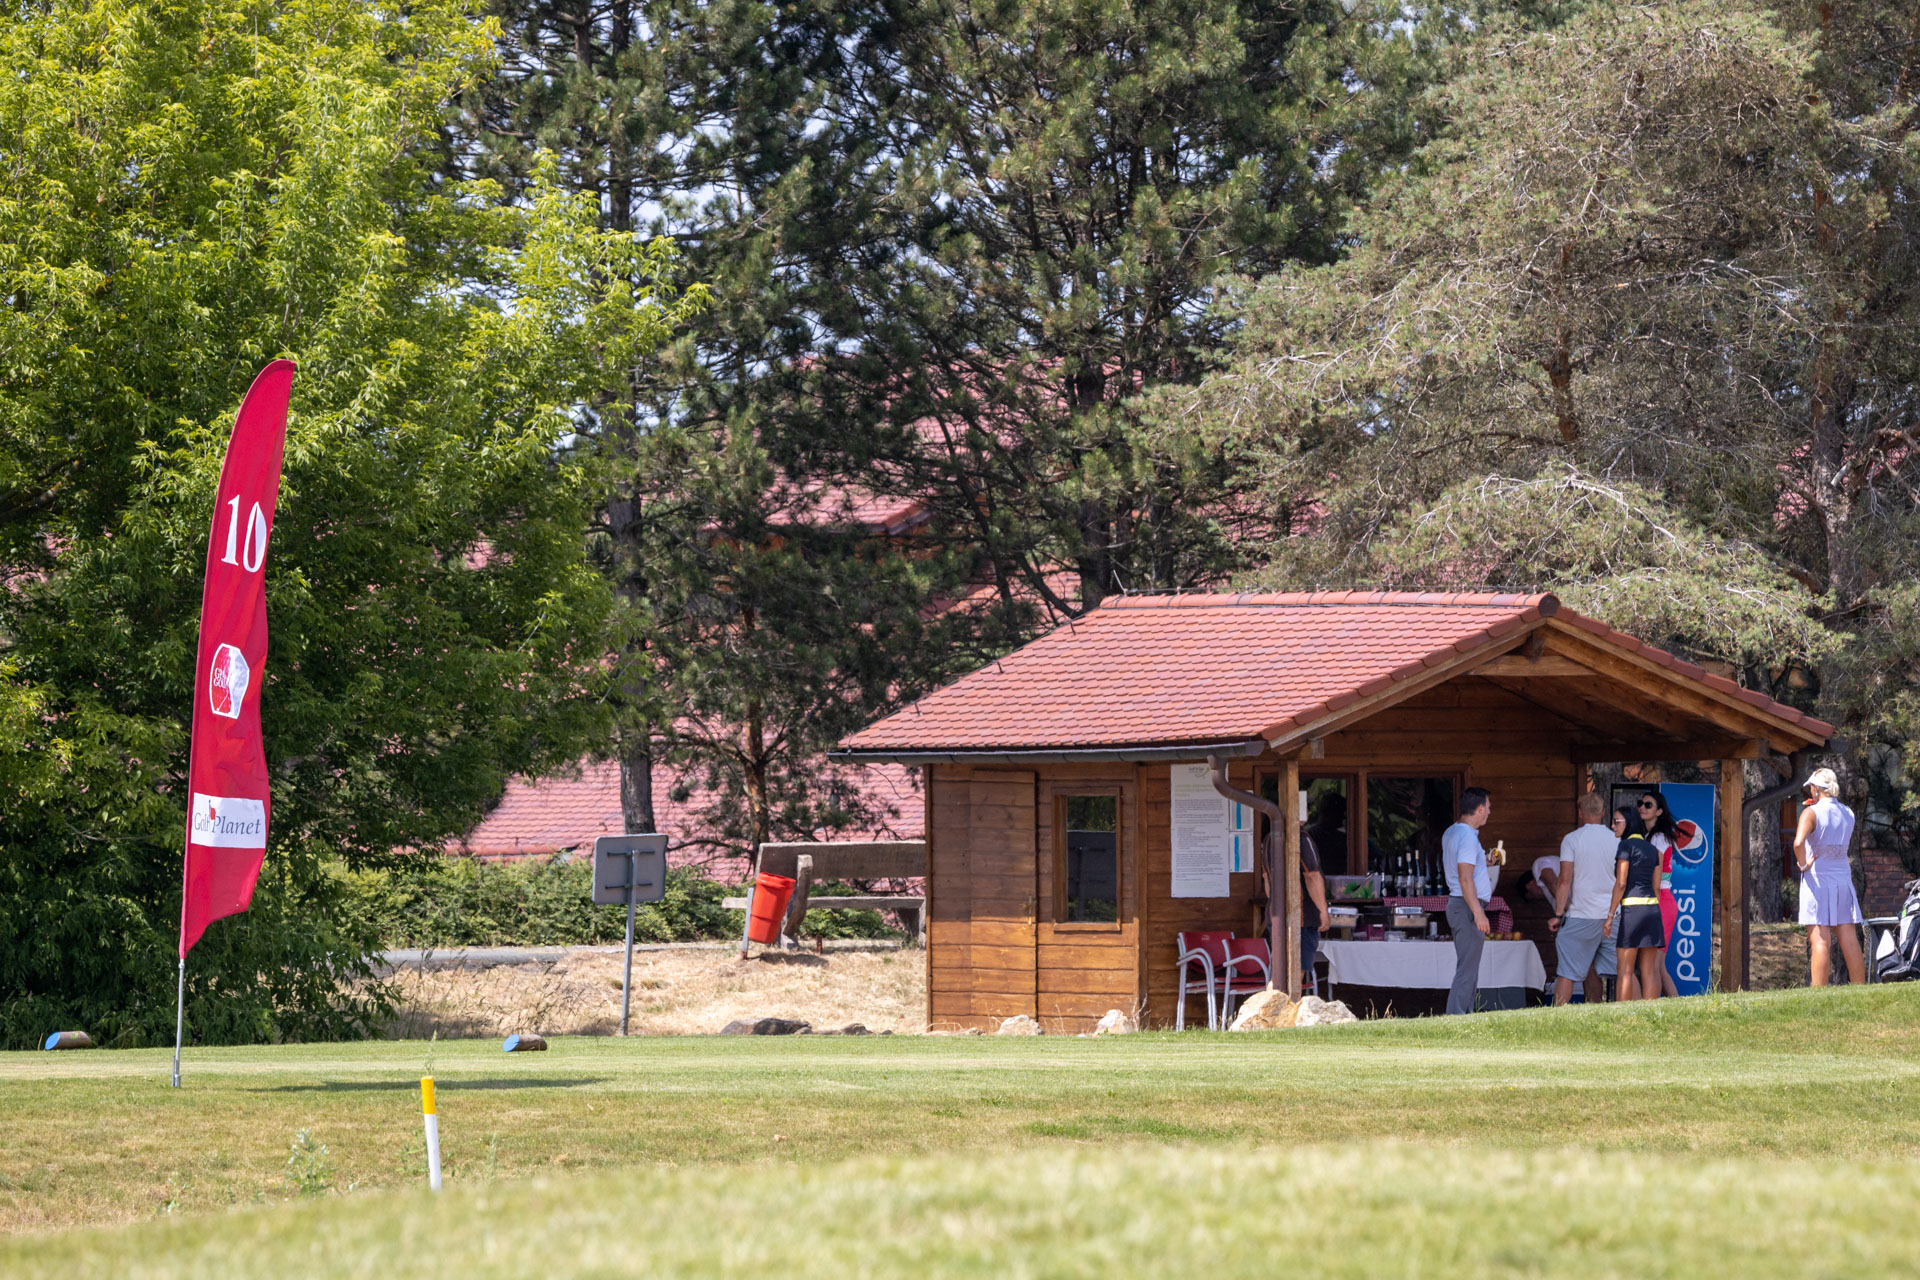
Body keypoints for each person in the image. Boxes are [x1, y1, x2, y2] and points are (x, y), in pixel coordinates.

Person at [1794, 767, 1864, 985]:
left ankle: (1818, 992)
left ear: (1816, 789)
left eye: (1811, 787)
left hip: (1817, 879)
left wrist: (1803, 864)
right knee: (1849, 938)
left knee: (1820, 940)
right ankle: (1860, 987)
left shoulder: (1811, 813)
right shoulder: (1848, 812)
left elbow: (1798, 843)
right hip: (1842, 878)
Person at [1548, 792, 1618, 1006]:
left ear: (1580, 813)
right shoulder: (1617, 839)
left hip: (1582, 915)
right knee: (1623, 971)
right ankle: (1626, 1015)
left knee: (1567, 972)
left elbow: (1564, 881)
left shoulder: (1572, 839)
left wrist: (1558, 914)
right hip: (1612, 916)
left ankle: (1557, 1016)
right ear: (1603, 812)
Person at [1443, 787, 1494, 1015]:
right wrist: (1478, 913)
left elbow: (1464, 864)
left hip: (1461, 905)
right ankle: (1455, 1017)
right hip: (1467, 906)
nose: (1489, 812)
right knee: (1467, 969)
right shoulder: (1467, 837)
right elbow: (1465, 878)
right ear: (1480, 808)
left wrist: (1485, 861)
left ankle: (1467, 1015)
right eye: (1488, 807)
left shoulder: (1453, 832)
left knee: (1469, 967)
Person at [1606, 804, 1664, 1002]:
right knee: (1649, 970)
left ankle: (1621, 1013)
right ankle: (1652, 1012)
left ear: (1628, 822)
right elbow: (1657, 887)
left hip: (1632, 910)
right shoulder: (1654, 850)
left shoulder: (1625, 846)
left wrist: (1610, 916)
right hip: (1652, 910)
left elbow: (1621, 883)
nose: (1613, 826)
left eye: (1616, 821)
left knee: (1625, 969)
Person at [1638, 789, 1682, 998]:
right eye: (1640, 803)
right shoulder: (1650, 836)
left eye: (1648, 805)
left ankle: (1652, 1007)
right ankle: (1679, 1008)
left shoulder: (1658, 837)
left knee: (1652, 965)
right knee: (1658, 965)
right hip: (1660, 900)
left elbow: (1656, 876)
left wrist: (1651, 907)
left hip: (1659, 900)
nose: (1642, 807)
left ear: (1659, 812)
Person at [1299, 823, 1332, 984]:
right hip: (1303, 916)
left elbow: (1266, 879)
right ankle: (1279, 1001)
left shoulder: (1270, 838)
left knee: (1280, 974)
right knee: (1296, 972)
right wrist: (1323, 911)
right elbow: (1312, 876)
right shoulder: (1302, 838)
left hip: (1277, 914)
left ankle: (1274, 1000)